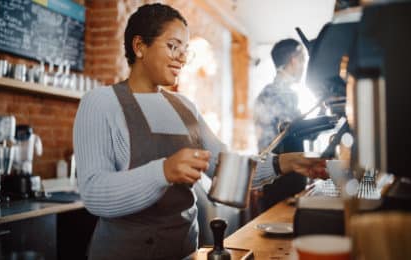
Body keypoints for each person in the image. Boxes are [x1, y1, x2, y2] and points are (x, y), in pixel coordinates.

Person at [74, 4, 326, 260]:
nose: (182, 58)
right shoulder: (100, 103)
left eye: (185, 50)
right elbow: (94, 193)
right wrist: (164, 171)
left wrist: (286, 161)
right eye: (173, 46)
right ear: (139, 46)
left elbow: (225, 165)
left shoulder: (185, 107)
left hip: (184, 251)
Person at [253, 39, 308, 211]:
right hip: (284, 178)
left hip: (273, 175)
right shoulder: (284, 93)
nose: (303, 67)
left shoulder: (267, 92)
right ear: (294, 60)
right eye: (303, 60)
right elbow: (295, 133)